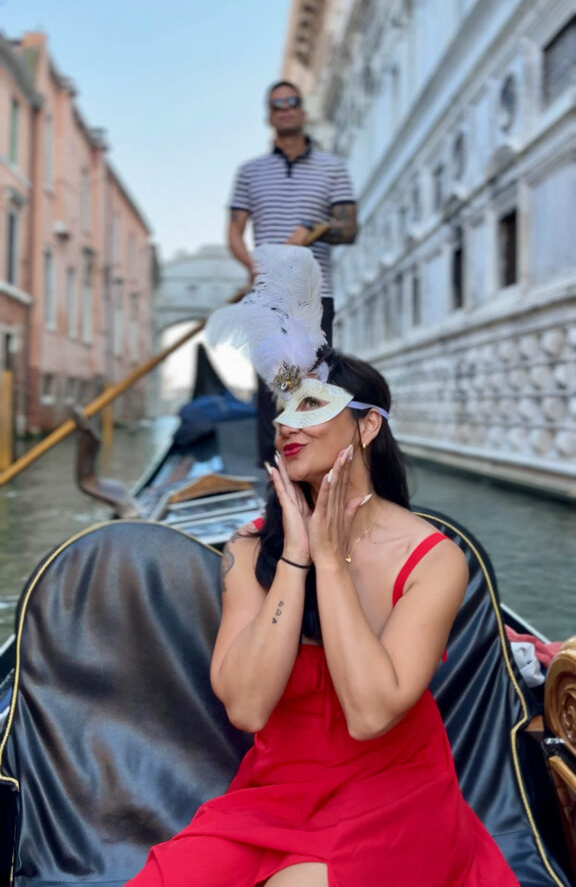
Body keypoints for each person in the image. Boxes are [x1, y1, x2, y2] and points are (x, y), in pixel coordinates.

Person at [127, 247, 520, 887]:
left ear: (367, 429)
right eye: (281, 410)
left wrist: (332, 563)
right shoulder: (250, 550)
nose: (287, 425)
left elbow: (369, 714)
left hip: (396, 796)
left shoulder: (434, 559)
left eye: (310, 406)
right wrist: (296, 554)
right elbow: (248, 709)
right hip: (272, 796)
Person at [226, 80, 356, 467]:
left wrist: (313, 230)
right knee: (276, 388)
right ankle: (274, 476)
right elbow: (234, 234)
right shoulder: (251, 172)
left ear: (302, 111)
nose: (285, 108)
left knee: (311, 386)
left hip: (313, 298)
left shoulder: (332, 168)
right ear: (270, 116)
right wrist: (256, 269)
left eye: (291, 102)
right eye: (277, 104)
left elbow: (348, 228)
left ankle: (311, 471)